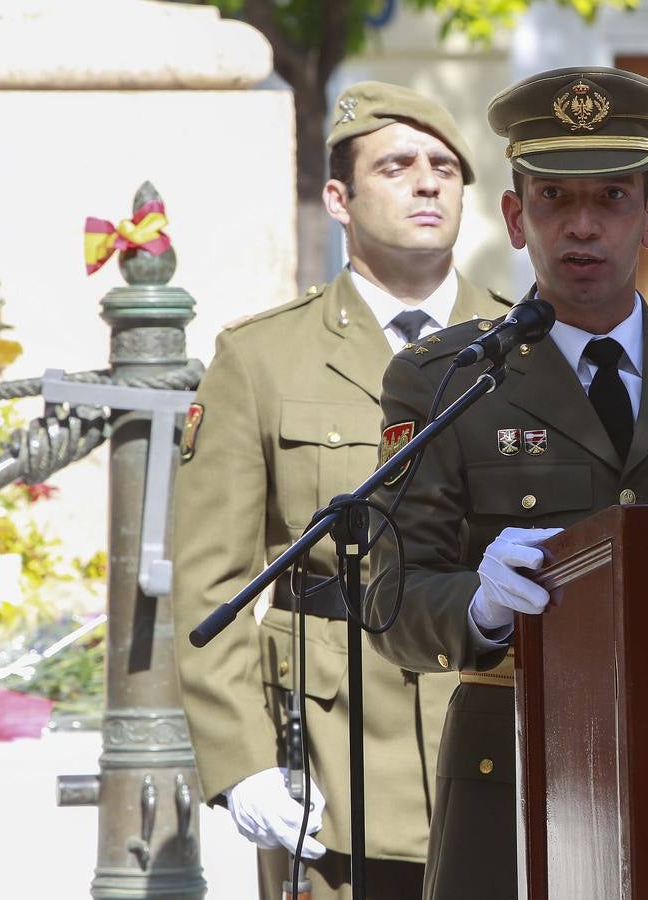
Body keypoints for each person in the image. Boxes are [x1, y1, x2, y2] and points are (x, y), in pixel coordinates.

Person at [362, 66, 648, 900]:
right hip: (517, 761)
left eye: (609, 199)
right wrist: (481, 605)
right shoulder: (446, 381)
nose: (581, 227)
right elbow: (392, 603)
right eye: (553, 199)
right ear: (514, 216)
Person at [171, 82, 513, 900]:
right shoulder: (262, 359)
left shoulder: (520, 348)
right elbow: (209, 584)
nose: (428, 182)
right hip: (334, 755)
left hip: (496, 741)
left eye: (445, 167)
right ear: (339, 198)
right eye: (396, 165)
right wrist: (244, 761)